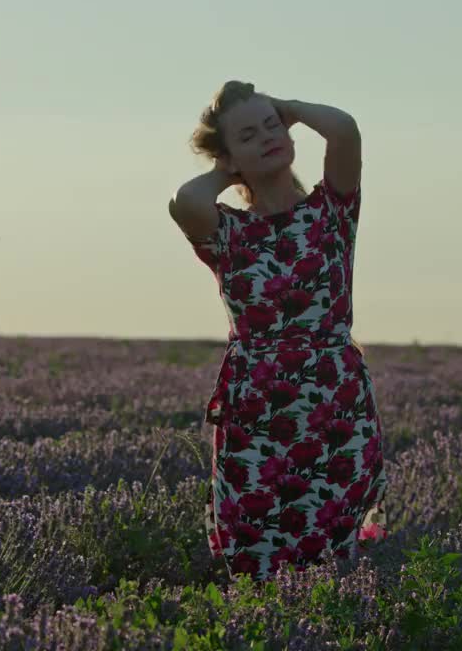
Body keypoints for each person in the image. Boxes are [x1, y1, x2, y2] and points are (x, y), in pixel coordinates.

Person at [167, 80, 389, 581]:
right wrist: (230, 166)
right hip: (256, 409)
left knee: (339, 548)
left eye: (273, 127)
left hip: (336, 403)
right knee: (254, 544)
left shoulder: (331, 210)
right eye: (249, 135)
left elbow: (344, 130)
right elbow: (185, 199)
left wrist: (284, 109)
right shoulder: (226, 231)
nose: (268, 136)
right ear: (229, 157)